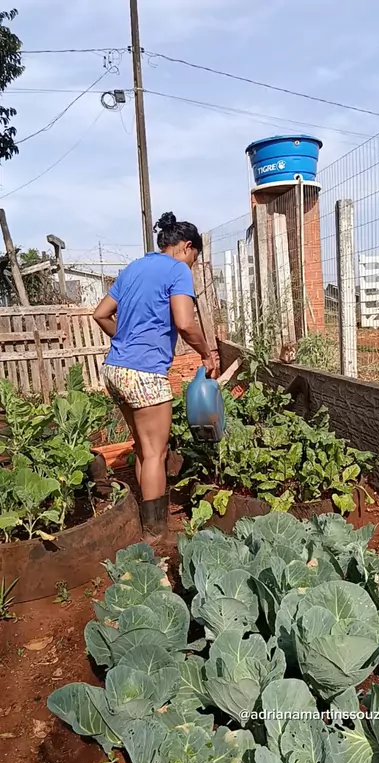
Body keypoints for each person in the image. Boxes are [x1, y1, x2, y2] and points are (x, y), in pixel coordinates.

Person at [93, 211, 216, 543]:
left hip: (115, 370)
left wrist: (126, 339)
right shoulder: (177, 270)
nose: (191, 265)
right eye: (194, 258)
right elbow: (185, 323)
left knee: (143, 448)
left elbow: (100, 314)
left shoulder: (133, 268)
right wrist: (206, 353)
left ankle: (146, 521)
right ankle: (155, 532)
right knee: (155, 453)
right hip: (144, 374)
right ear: (187, 247)